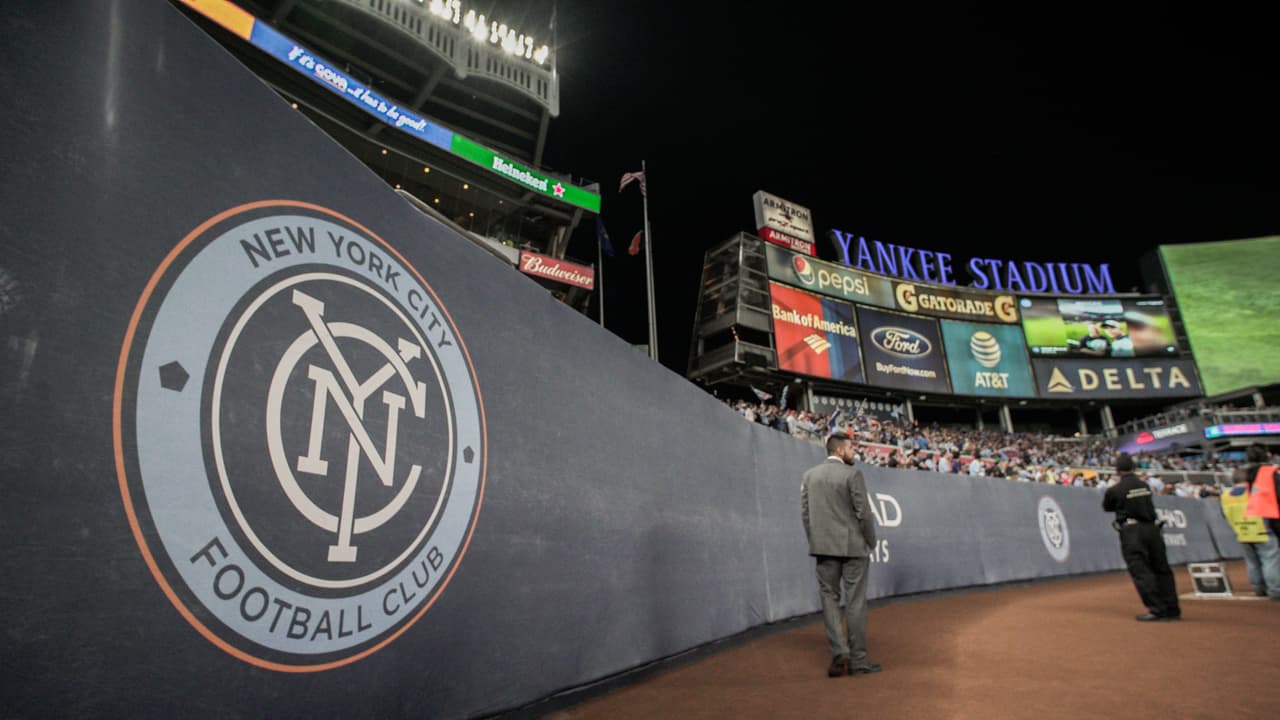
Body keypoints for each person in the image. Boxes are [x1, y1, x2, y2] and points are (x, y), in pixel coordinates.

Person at [801, 434, 882, 677]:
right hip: (854, 547)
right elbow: (864, 513)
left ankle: (839, 653)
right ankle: (858, 661)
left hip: (823, 547)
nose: (853, 452)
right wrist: (871, 540)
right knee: (855, 601)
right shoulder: (852, 474)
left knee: (829, 598)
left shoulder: (809, 476)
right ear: (838, 450)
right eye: (850, 448)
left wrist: (816, 540)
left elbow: (805, 514)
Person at [1102, 453, 1181, 621]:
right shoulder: (1144, 485)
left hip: (1132, 531)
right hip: (1152, 528)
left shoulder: (1115, 490)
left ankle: (1156, 609)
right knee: (1162, 568)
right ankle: (1172, 607)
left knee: (1141, 570)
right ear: (1133, 468)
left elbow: (1107, 506)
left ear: (1117, 470)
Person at [1222, 464, 1280, 598]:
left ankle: (1258, 589)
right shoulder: (1255, 492)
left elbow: (1225, 514)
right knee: (1270, 561)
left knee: (1252, 562)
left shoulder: (1225, 495)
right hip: (1262, 530)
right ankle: (1275, 590)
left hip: (1242, 533)